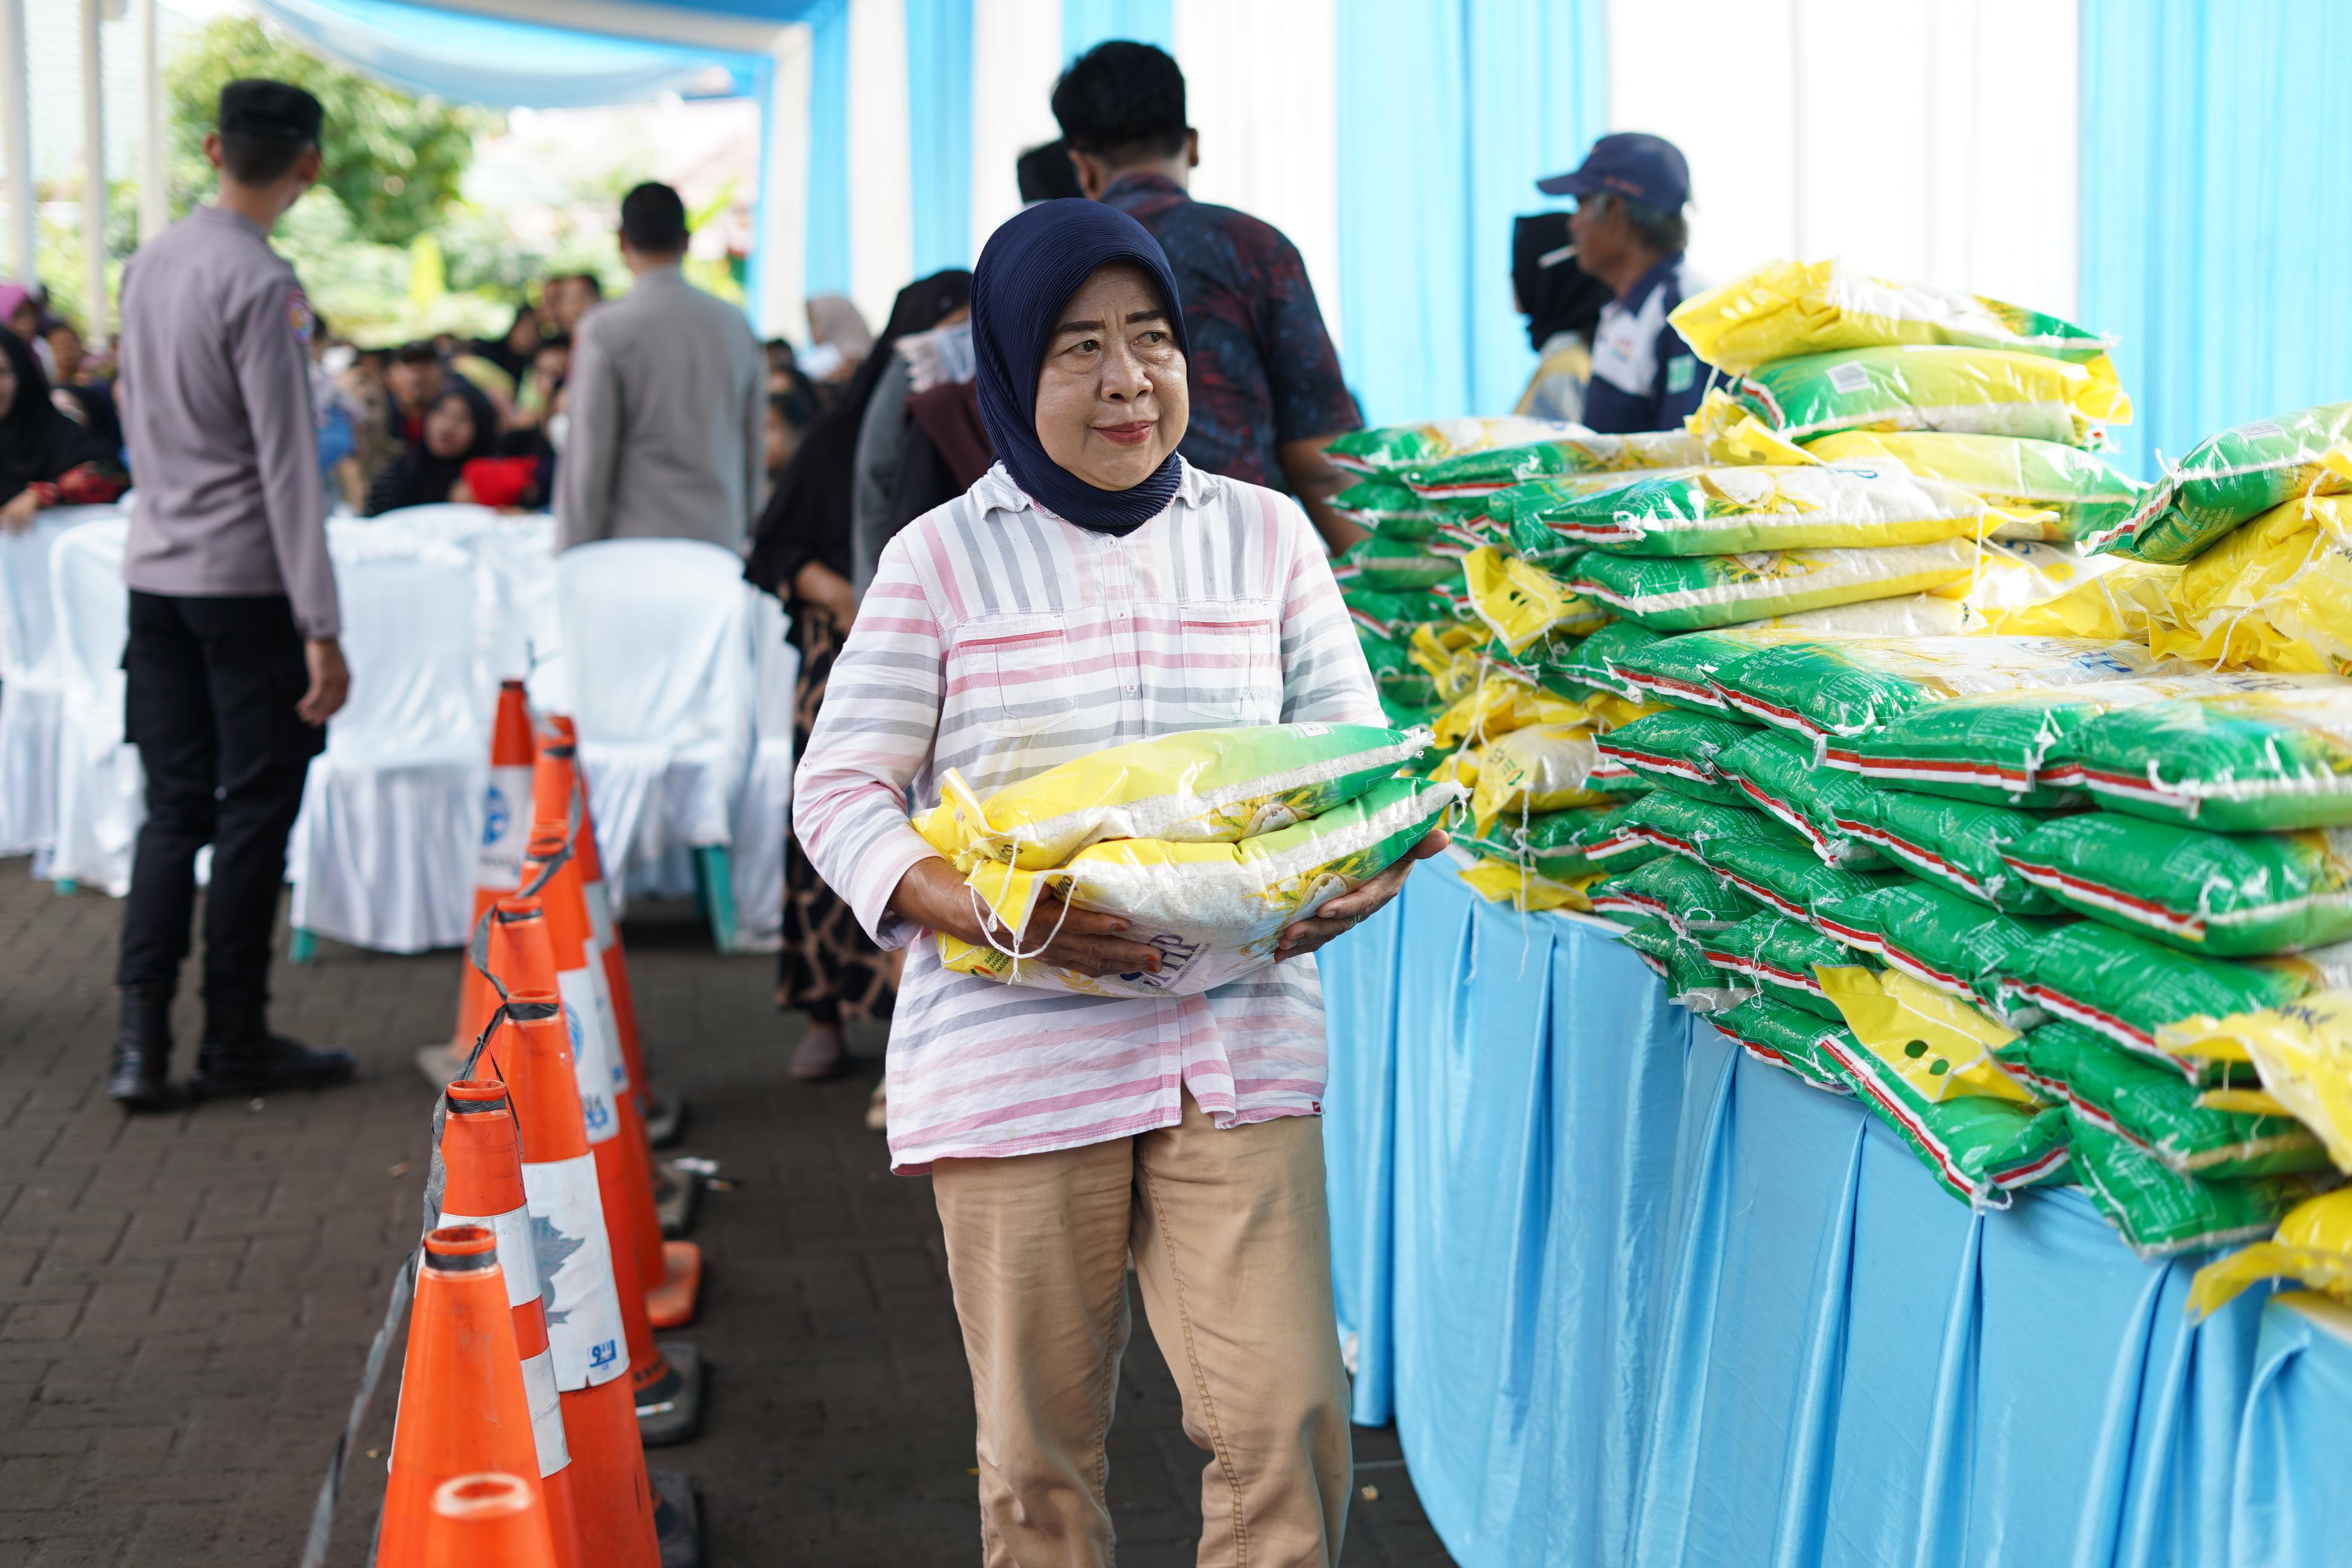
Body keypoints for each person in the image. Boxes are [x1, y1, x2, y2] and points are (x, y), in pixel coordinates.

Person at [794, 199, 1444, 1566]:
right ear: (1010, 370)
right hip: (1015, 1057)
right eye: (1078, 346)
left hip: (1239, 1042)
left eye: (1149, 339)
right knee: (1040, 1464)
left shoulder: (1264, 536)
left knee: (1287, 1425)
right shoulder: (940, 560)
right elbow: (839, 789)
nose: (1127, 379)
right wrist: (982, 906)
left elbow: (1352, 760)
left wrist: (1363, 866)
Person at [110, 78, 353, 1110]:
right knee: (254, 808)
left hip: (154, 574)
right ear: (309, 165)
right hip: (243, 585)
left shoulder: (148, 262)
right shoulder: (264, 283)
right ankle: (236, 1036)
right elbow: (287, 465)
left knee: (173, 811)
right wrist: (323, 624)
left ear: (214, 148)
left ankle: (137, 1044)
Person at [742, 270, 969, 1083]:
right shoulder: (842, 437)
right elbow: (771, 550)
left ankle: (907, 1028)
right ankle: (823, 1013)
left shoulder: (972, 420)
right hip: (842, 647)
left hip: (944, 650)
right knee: (837, 821)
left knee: (929, 831)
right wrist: (849, 598)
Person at [1052, 41, 1365, 551]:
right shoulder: (1253, 247)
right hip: (1238, 561)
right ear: (1192, 145)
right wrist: (1382, 601)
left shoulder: (1046, 262)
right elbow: (1321, 462)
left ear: (1082, 166)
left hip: (1079, 566)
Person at [554, 182, 766, 554]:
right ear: (686, 240)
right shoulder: (735, 325)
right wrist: (749, 530)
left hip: (634, 546)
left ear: (621, 241)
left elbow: (588, 453)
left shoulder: (605, 328)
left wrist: (572, 550)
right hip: (717, 540)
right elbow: (752, 443)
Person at [1538, 132, 1706, 434]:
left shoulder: (1683, 315)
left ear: (1615, 211)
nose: (1572, 224)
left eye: (1581, 205)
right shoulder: (1622, 310)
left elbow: (1684, 462)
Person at [0, 326, 127, 529]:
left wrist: (42, 495)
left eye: (1, 372)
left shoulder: (53, 432)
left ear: (23, 375)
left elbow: (112, 474)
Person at [1509, 210, 1612, 425]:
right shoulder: (1587, 352)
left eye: (1520, 263)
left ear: (1546, 276)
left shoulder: (1564, 370)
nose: (1512, 275)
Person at [363, 378, 498, 514]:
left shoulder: (496, 480)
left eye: (462, 418)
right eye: (441, 412)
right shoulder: (396, 475)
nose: (447, 427)